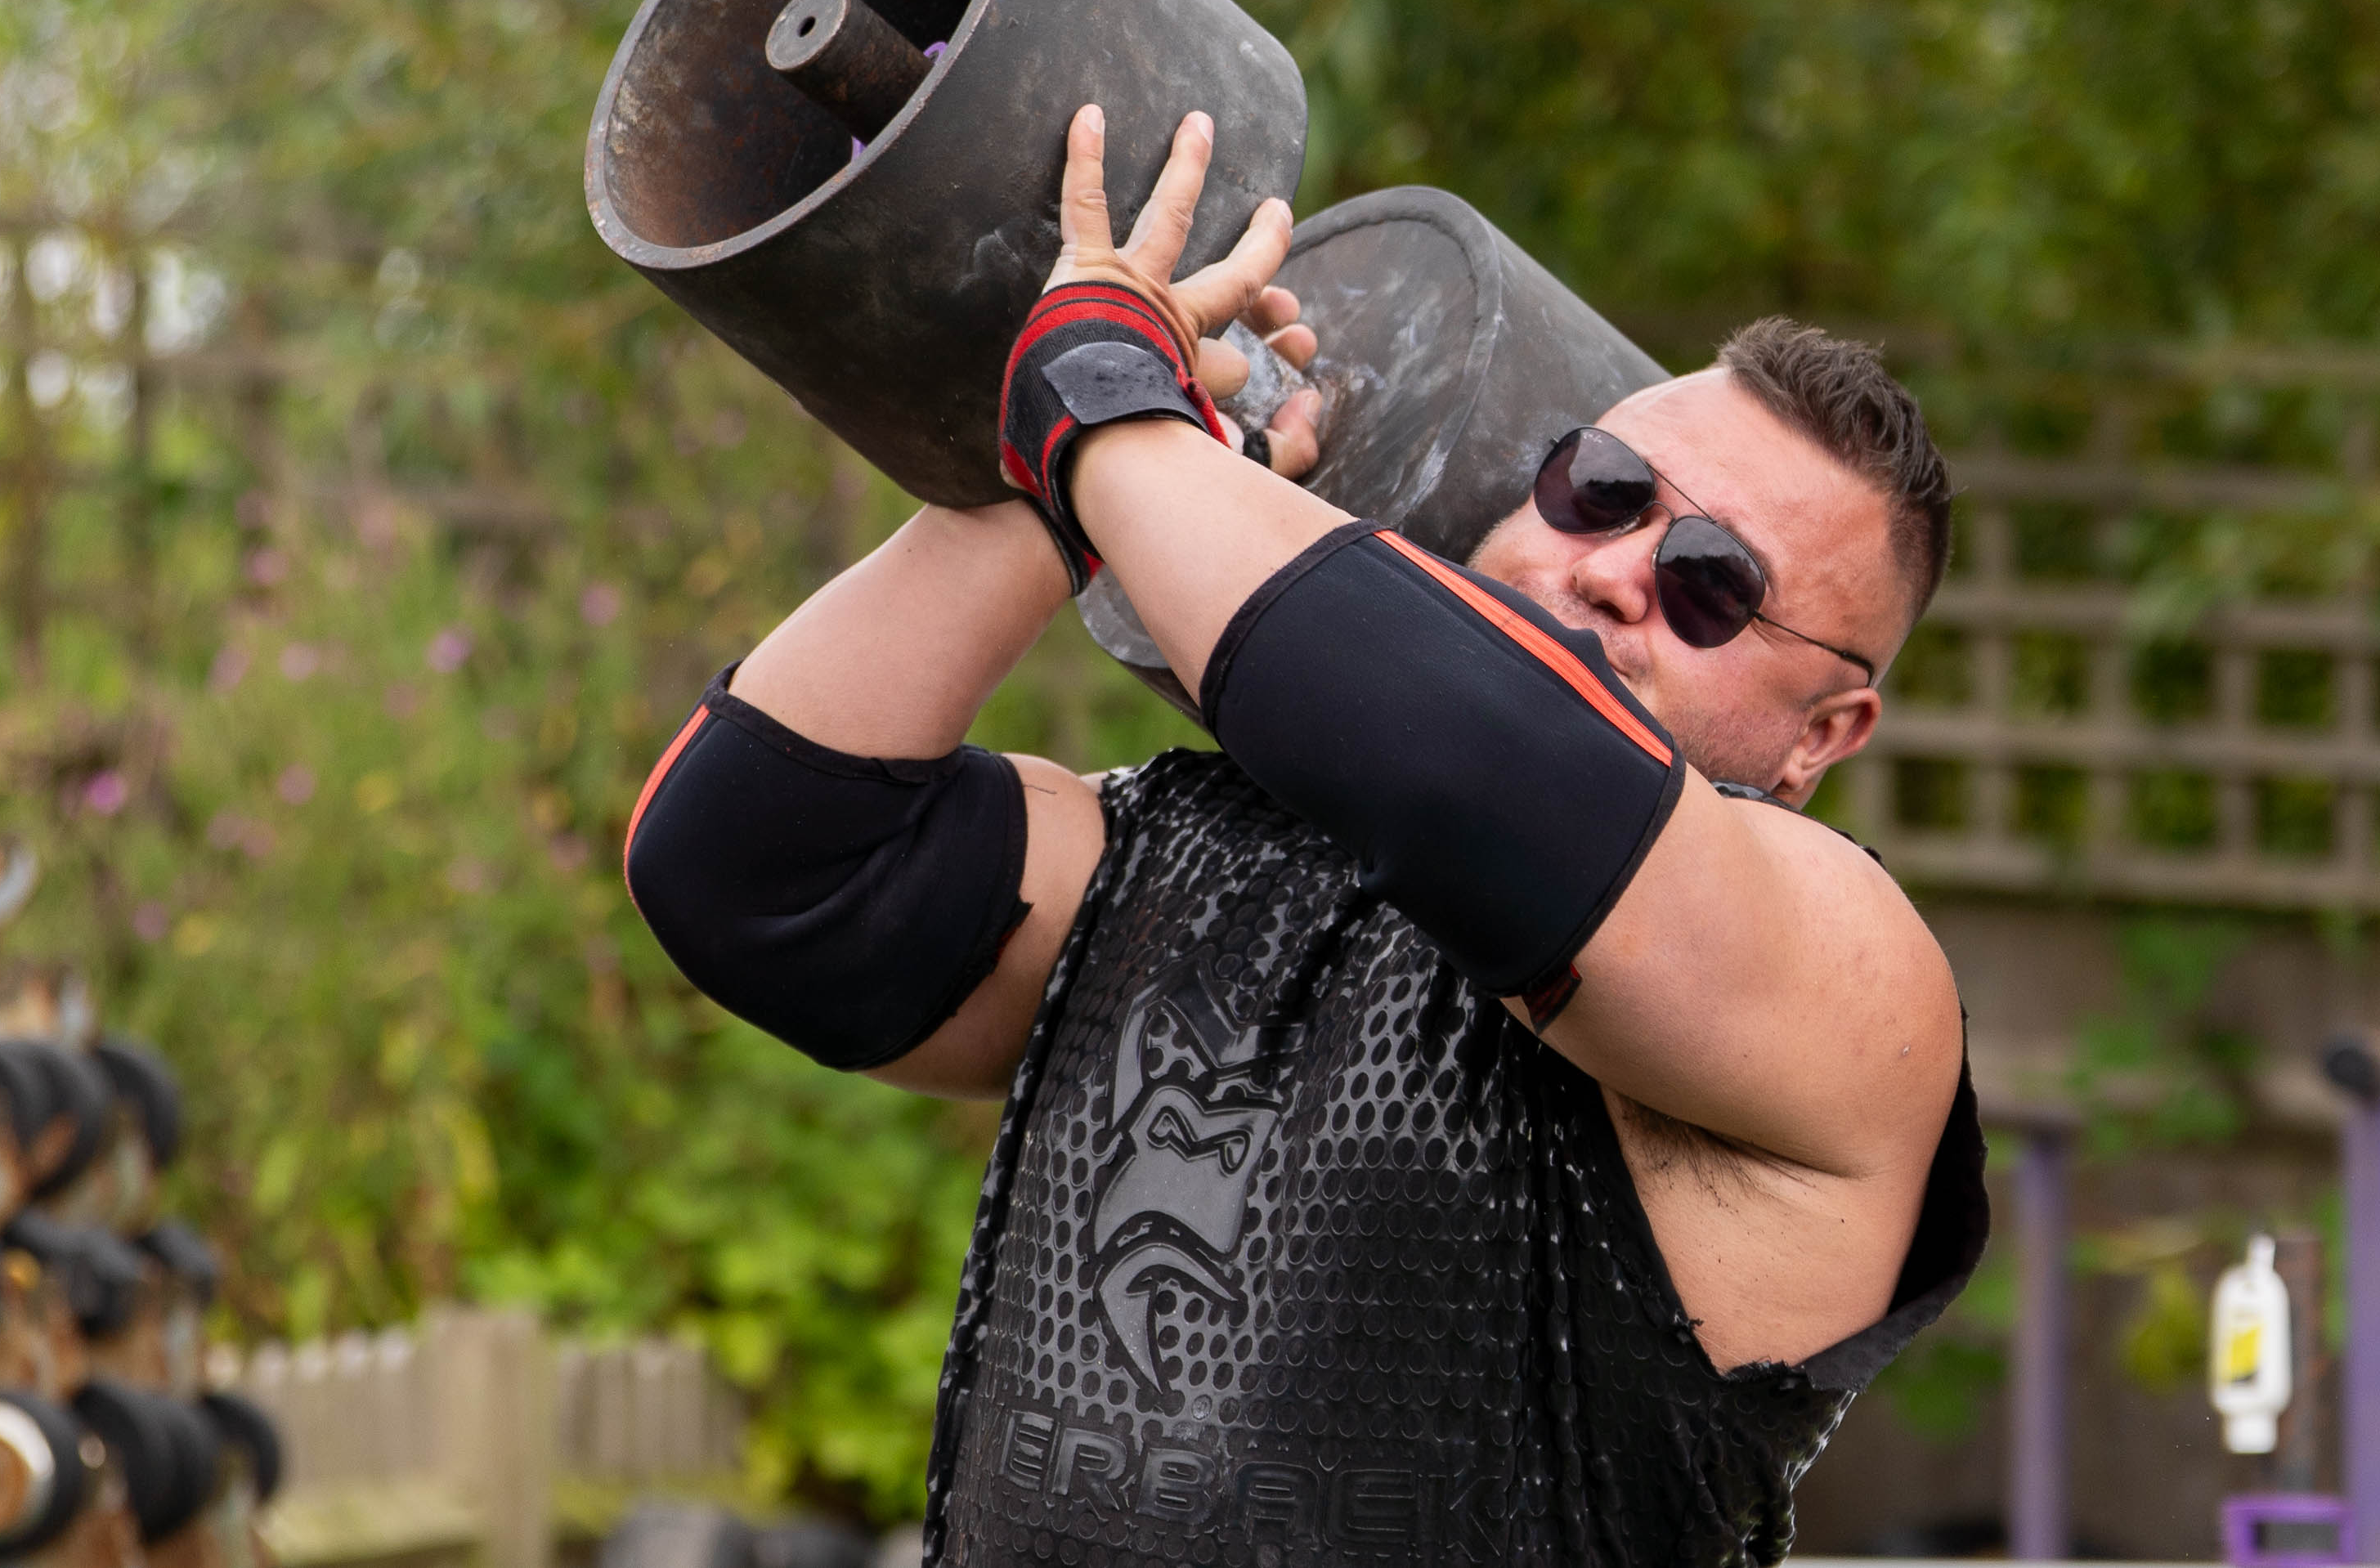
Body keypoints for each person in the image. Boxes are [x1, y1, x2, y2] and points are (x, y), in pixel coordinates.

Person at [624, 105, 1988, 1566]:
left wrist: (1112, 410)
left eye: (1713, 583)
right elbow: (756, 869)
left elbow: (1484, 770)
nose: (1610, 571)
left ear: (1822, 733)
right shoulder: (1187, 851)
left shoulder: (1846, 978)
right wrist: (1057, 492)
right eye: (1600, 489)